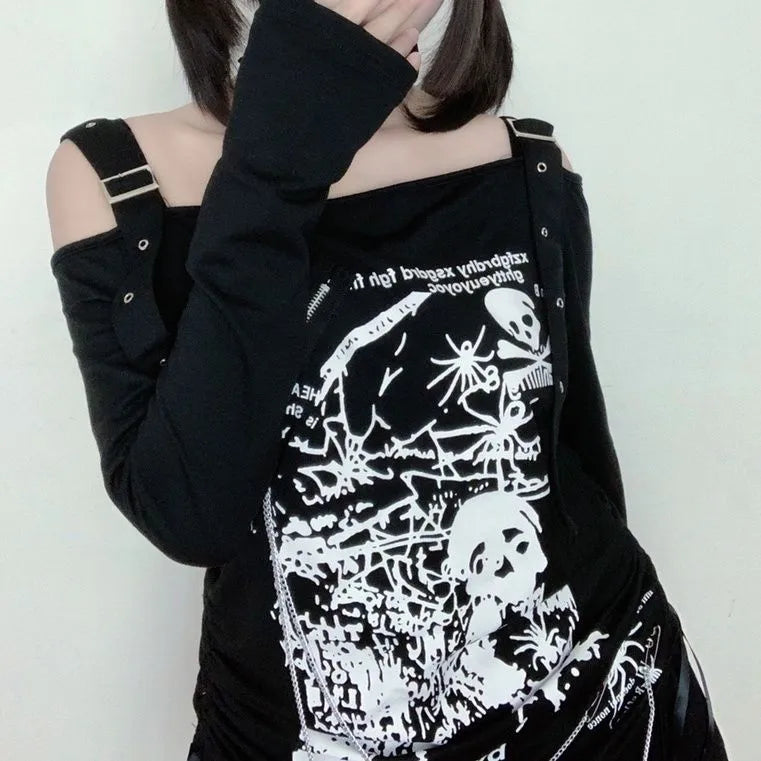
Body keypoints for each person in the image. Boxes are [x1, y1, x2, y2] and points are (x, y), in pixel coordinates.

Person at [45, 1, 730, 760]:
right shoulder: (120, 177)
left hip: (609, 705)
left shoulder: (521, 157)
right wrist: (276, 159)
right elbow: (190, 515)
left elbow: (574, 462)